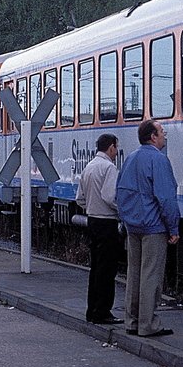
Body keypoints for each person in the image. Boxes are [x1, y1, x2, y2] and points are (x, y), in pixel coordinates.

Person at [116, 119, 180, 337]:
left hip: (133, 226)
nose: (164, 136)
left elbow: (120, 191)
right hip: (153, 227)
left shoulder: (131, 159)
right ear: (153, 136)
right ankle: (148, 324)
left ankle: (131, 321)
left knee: (133, 275)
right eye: (162, 132)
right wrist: (173, 228)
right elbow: (166, 198)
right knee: (151, 276)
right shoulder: (159, 160)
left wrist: (126, 219)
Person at [76, 133, 123, 324]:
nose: (116, 152)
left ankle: (92, 310)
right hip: (107, 223)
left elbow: (79, 198)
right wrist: (123, 212)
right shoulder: (109, 168)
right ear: (111, 147)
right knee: (107, 270)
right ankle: (103, 311)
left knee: (95, 268)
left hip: (92, 221)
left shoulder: (89, 167)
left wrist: (91, 207)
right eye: (116, 148)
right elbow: (110, 196)